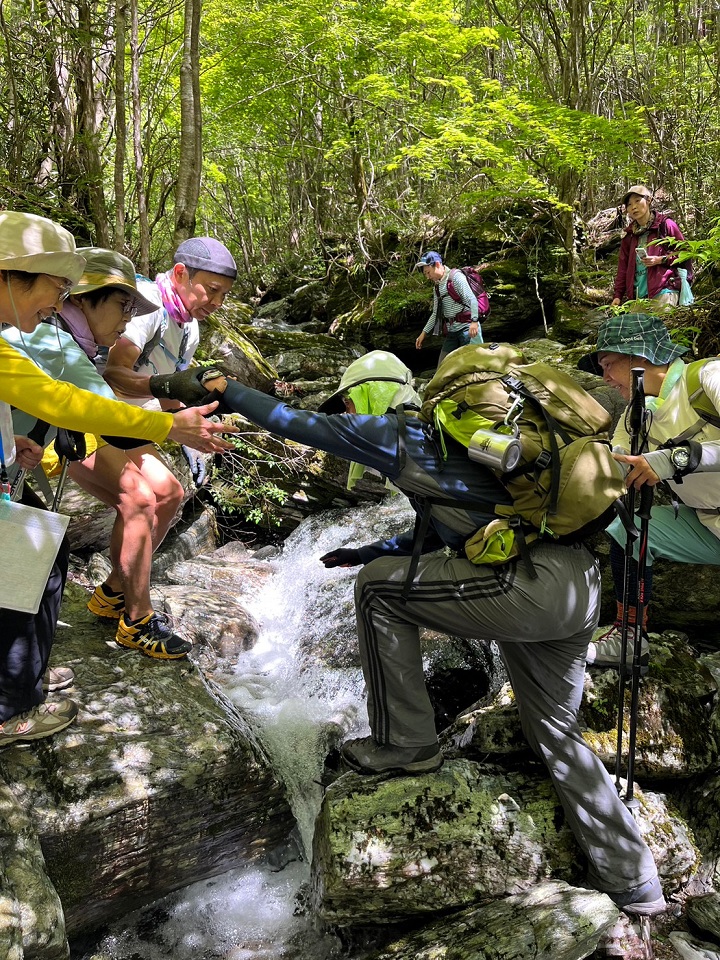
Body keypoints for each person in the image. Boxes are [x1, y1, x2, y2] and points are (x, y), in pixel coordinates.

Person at [205, 348, 666, 917]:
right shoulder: (471, 445)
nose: (349, 410)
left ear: (373, 391)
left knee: (378, 591)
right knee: (554, 732)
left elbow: (300, 424)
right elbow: (459, 527)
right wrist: (371, 549)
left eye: (352, 399)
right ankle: (636, 883)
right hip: (578, 588)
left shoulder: (400, 436)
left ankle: (405, 743)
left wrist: (227, 390)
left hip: (527, 588)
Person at [0, 211, 236, 749]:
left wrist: (13, 442)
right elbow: (73, 400)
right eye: (56, 288)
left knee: (42, 557)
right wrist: (171, 424)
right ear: (13, 276)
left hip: (28, 453)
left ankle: (23, 679)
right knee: (31, 555)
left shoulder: (46, 340)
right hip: (76, 441)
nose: (55, 303)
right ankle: (14, 701)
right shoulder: (55, 343)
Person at [4, 247, 209, 659]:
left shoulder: (69, 339)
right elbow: (101, 407)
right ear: (82, 297)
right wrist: (175, 418)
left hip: (45, 442)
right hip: (64, 440)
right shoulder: (53, 337)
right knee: (138, 499)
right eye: (122, 304)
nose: (128, 318)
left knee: (167, 492)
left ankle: (115, 590)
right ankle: (137, 619)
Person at [578, 313, 720, 668]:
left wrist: (675, 459)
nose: (605, 378)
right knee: (629, 533)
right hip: (711, 524)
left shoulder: (708, 378)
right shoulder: (636, 416)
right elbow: (610, 466)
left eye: (609, 365)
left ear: (640, 356)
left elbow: (668, 462)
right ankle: (629, 638)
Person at [103, 236, 237, 415]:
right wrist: (168, 386)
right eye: (212, 289)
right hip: (93, 415)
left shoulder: (190, 328)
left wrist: (200, 411)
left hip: (126, 419)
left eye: (224, 295)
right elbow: (113, 376)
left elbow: (170, 395)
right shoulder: (147, 304)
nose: (218, 302)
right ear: (180, 273)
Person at [612, 185, 691, 309]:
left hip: (664, 289)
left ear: (649, 200)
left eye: (637, 201)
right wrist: (618, 295)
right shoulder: (629, 236)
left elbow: (684, 253)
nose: (633, 207)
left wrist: (660, 259)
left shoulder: (666, 225)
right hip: (638, 296)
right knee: (634, 328)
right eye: (629, 204)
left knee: (661, 326)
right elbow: (623, 267)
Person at [414, 252, 483, 364]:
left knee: (472, 365)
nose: (427, 277)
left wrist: (474, 321)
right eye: (425, 274)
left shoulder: (456, 277)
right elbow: (435, 313)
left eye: (428, 272)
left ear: (437, 264)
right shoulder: (437, 287)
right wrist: (423, 333)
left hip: (468, 328)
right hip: (452, 331)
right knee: (443, 366)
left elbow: (472, 300)